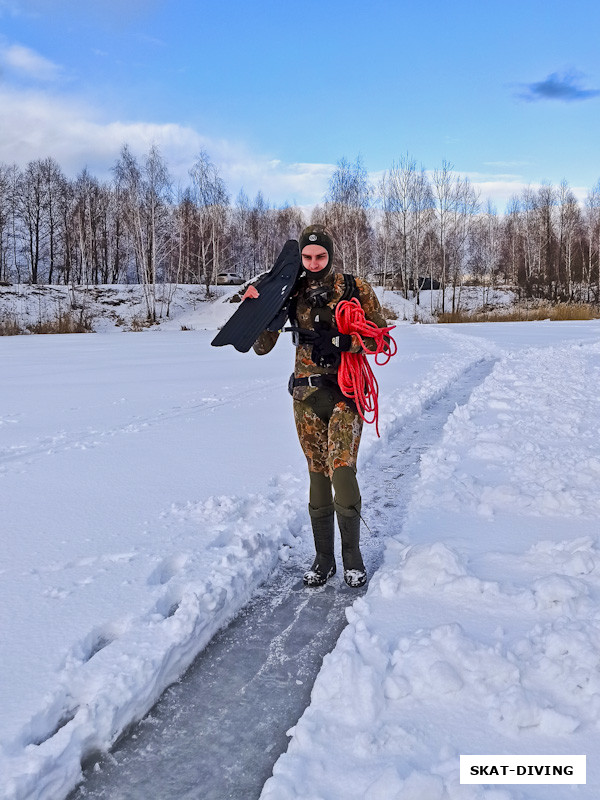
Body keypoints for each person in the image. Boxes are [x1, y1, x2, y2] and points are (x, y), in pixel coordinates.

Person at [253, 224, 388, 588]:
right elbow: (261, 346)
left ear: (330, 255)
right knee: (317, 473)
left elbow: (381, 338)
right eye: (307, 257)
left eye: (320, 256)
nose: (313, 263)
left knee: (341, 470)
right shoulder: (289, 291)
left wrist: (350, 343)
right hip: (306, 398)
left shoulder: (355, 288)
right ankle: (323, 559)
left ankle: (353, 559)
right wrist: (258, 307)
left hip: (346, 392)